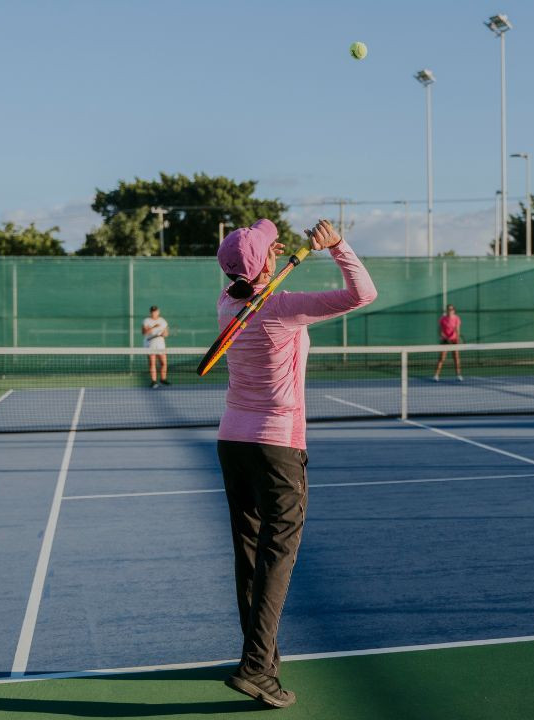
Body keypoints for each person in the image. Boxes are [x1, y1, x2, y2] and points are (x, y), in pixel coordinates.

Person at [216, 218, 376, 709]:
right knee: (276, 559)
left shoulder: (228, 303)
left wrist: (261, 257)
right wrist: (338, 246)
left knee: (249, 554)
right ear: (267, 263)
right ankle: (257, 667)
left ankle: (257, 655)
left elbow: (245, 275)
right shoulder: (283, 309)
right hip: (277, 448)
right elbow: (362, 294)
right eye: (268, 249)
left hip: (232, 442)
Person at [141, 305, 169, 388]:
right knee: (152, 363)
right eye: (152, 311)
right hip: (150, 344)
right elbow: (144, 332)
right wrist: (154, 327)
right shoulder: (146, 321)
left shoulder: (163, 321)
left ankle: (163, 379)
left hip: (160, 344)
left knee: (163, 363)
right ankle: (153, 381)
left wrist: (164, 334)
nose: (154, 313)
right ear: (150, 312)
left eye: (155, 311)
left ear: (158, 312)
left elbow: (166, 333)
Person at [433, 304, 463, 382]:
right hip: (445, 341)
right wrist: (446, 338)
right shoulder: (442, 319)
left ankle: (458, 375)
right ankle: (436, 375)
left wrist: (457, 338)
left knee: (456, 358)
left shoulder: (457, 318)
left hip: (454, 340)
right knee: (441, 358)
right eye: (448, 309)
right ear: (446, 310)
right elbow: (440, 331)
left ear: (454, 310)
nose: (450, 311)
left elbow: (457, 330)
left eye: (451, 309)